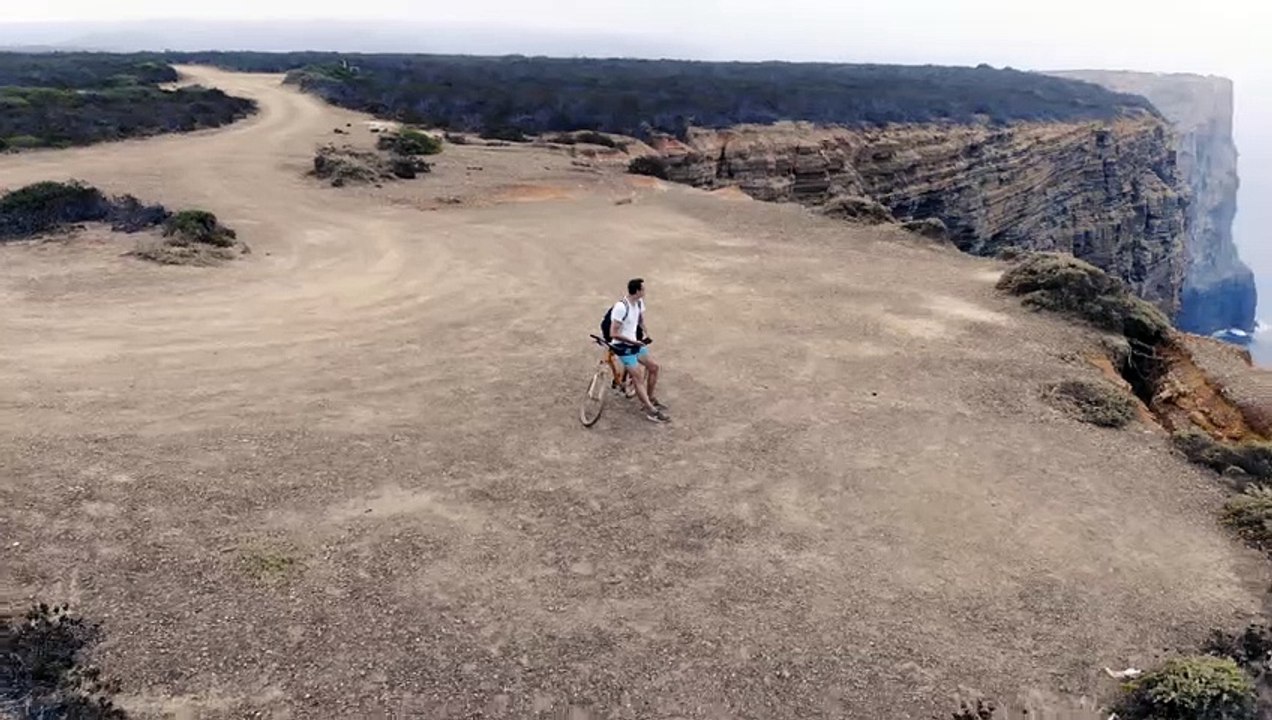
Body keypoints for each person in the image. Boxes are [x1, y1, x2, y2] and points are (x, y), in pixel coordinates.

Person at [609, 278, 670, 423]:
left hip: (635, 343)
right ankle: (650, 409)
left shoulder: (639, 302)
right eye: (643, 289)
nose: (645, 291)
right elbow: (613, 333)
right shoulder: (621, 307)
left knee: (654, 367)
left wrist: (645, 332)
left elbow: (640, 319)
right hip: (623, 347)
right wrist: (632, 342)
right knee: (638, 377)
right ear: (637, 291)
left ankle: (650, 398)